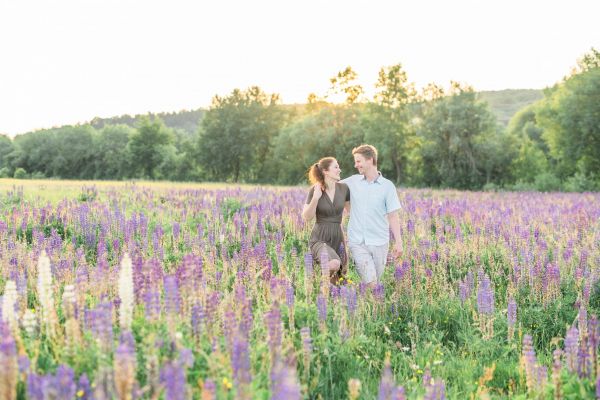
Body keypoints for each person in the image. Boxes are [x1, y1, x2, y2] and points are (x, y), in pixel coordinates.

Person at [341, 144, 402, 286]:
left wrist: (399, 242)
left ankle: (366, 300)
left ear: (370, 160)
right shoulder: (352, 181)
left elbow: (393, 216)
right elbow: (332, 186)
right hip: (357, 242)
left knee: (375, 284)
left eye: (358, 161)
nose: (356, 165)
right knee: (371, 282)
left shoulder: (387, 186)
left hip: (380, 241)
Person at [302, 157, 350, 285]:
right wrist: (316, 198)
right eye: (336, 167)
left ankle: (319, 289)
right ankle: (315, 281)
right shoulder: (315, 190)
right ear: (325, 171)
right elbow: (307, 217)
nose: (339, 170)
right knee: (334, 264)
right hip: (320, 238)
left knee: (337, 280)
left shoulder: (344, 189)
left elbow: (352, 212)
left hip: (338, 238)